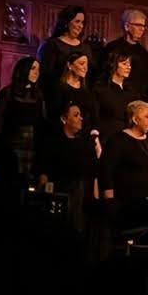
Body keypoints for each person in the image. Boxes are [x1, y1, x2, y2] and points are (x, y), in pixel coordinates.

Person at [100, 100, 148, 238]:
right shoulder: (117, 140)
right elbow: (106, 169)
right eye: (147, 116)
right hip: (125, 204)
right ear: (134, 119)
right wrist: (110, 200)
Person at [39, 100, 99, 237]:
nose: (81, 118)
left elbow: (92, 170)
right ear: (64, 119)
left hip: (79, 195)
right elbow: (45, 167)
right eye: (76, 115)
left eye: (80, 115)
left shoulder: (85, 144)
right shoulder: (53, 142)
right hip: (59, 191)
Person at [0, 56, 45, 187]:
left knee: (26, 185)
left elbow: (41, 123)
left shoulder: (38, 95)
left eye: (38, 69)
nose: (36, 72)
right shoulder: (8, 93)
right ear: (24, 70)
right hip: (10, 146)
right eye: (33, 68)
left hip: (31, 146)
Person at [100, 8, 148, 100]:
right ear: (127, 26)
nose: (142, 29)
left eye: (144, 26)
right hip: (114, 96)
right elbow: (104, 75)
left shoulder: (143, 52)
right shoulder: (112, 47)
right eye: (138, 25)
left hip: (136, 99)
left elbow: (145, 81)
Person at [48, 52, 95, 146]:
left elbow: (93, 113)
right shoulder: (59, 88)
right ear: (70, 65)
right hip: (63, 137)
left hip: (84, 137)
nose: (86, 68)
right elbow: (54, 114)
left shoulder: (87, 89)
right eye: (82, 64)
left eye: (87, 64)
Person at [91, 47, 136, 145]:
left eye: (129, 64)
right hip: (108, 138)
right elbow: (94, 117)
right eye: (124, 64)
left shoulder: (131, 90)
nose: (129, 67)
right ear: (113, 65)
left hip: (128, 139)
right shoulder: (101, 89)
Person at [38, 3, 88, 82]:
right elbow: (46, 74)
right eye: (77, 21)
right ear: (67, 23)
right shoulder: (53, 44)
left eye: (82, 22)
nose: (81, 26)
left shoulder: (85, 48)